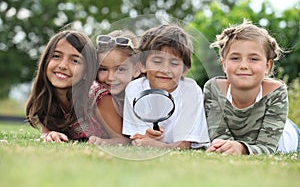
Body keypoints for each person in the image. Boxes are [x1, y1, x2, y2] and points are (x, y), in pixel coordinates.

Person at [204, 19, 300, 155]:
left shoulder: (276, 91)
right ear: (224, 64)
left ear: (267, 66)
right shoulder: (214, 89)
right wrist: (227, 146)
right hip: (244, 138)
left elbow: (267, 147)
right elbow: (219, 135)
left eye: (254, 59)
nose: (243, 65)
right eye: (235, 58)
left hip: (285, 135)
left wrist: (241, 149)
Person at [122, 24, 210, 149]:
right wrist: (148, 137)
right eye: (157, 62)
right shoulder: (134, 89)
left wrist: (157, 145)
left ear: (185, 70)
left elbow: (185, 144)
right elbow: (137, 139)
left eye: (174, 63)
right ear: (142, 64)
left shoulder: (191, 91)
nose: (165, 70)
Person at [26, 30, 101, 142]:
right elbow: (46, 133)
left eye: (75, 61)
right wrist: (51, 135)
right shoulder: (48, 98)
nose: (63, 65)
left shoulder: (98, 97)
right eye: (56, 56)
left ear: (87, 71)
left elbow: (122, 137)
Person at [88, 30, 141, 145]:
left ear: (136, 69)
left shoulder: (142, 95)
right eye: (103, 69)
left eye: (120, 69)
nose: (111, 77)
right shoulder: (98, 94)